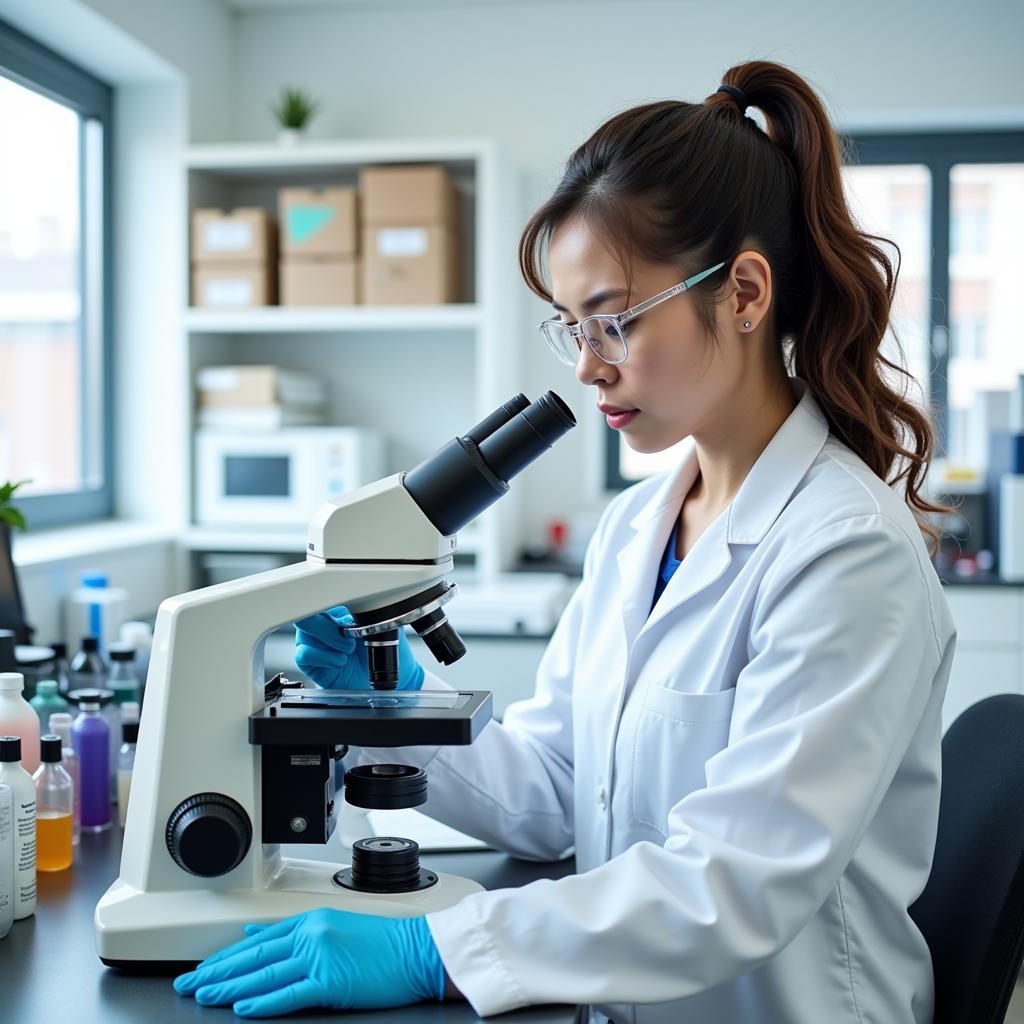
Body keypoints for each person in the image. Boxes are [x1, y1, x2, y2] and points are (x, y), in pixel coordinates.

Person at [174, 59, 956, 1023]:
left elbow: (739, 881)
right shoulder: (638, 525)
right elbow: (557, 790)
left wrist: (440, 947)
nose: (589, 367)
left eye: (615, 321)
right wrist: (386, 701)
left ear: (745, 293)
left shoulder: (847, 552)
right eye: (572, 327)